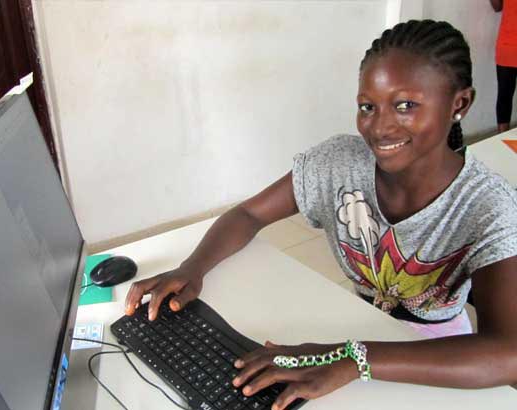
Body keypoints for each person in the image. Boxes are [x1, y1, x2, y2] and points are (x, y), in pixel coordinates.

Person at [125, 19, 517, 409]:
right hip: (353, 329)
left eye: (406, 105)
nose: (379, 127)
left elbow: (507, 356)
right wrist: (192, 268)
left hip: (438, 360)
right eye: (367, 107)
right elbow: (248, 214)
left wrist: (350, 359)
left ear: (459, 104)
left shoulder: (488, 206)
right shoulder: (338, 164)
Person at [490, 0, 517, 132]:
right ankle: (501, 139)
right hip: (508, 45)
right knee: (504, 96)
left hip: (507, 45)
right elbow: (497, 7)